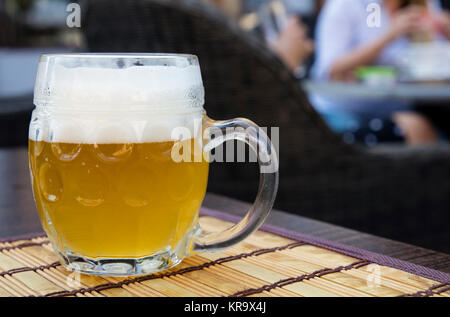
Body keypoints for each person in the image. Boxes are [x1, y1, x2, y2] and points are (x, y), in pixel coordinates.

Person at [310, 0, 450, 145]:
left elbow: (433, 72)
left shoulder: (423, 6)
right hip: (343, 112)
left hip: (401, 108)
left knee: (426, 129)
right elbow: (330, 70)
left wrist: (446, 36)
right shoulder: (347, 5)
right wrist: (389, 36)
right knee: (417, 128)